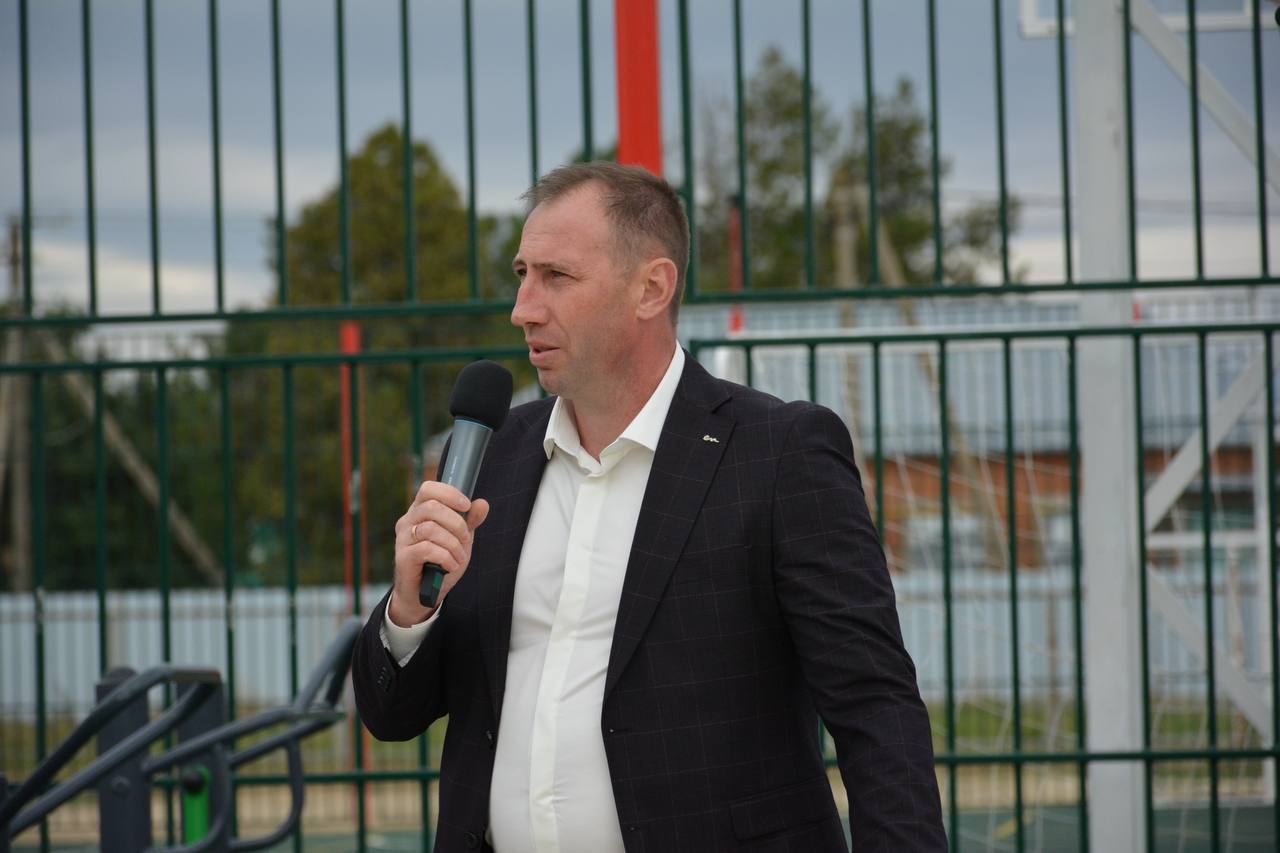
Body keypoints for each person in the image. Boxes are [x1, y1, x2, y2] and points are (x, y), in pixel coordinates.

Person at [352, 161, 945, 852]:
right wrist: (409, 611)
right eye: (521, 274)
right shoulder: (492, 455)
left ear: (651, 288)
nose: (523, 308)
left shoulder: (777, 452)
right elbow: (392, 715)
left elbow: (874, 703)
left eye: (557, 276)